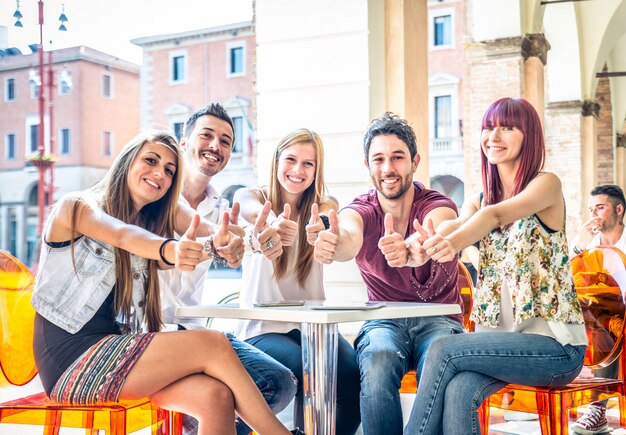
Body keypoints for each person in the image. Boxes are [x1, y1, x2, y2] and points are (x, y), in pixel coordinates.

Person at [31, 130, 301, 435]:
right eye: (151, 160)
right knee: (213, 344)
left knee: (215, 397)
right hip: (72, 360)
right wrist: (171, 248)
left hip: (119, 353)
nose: (159, 173)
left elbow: (197, 244)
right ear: (127, 161)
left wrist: (246, 242)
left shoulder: (147, 228)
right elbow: (124, 236)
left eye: (170, 171)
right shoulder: (76, 207)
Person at [402, 97, 587, 434]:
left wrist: (453, 245)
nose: (493, 136)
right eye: (488, 127)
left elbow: (495, 216)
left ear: (528, 135)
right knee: (459, 391)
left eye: (507, 127)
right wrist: (421, 244)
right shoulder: (480, 198)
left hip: (556, 347)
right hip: (501, 342)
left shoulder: (547, 185)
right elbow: (453, 226)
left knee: (444, 349)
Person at [313, 113, 463, 435]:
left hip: (439, 319)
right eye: (378, 159)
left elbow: (442, 225)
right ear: (367, 165)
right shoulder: (361, 209)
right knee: (377, 359)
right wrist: (333, 244)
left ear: (414, 162)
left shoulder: (435, 202)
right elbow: (349, 236)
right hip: (383, 320)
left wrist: (414, 246)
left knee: (440, 361)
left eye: (397, 157)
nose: (388, 168)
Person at [158, 103, 297, 434]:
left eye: (225, 141)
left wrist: (258, 242)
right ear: (184, 140)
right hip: (148, 332)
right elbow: (210, 238)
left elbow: (238, 239)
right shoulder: (157, 191)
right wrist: (234, 242)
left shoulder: (221, 208)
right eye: (207, 135)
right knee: (222, 394)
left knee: (278, 383)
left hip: (190, 332)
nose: (215, 146)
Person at [233, 128, 362, 434]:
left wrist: (327, 233)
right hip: (261, 328)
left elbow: (333, 225)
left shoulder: (324, 203)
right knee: (311, 371)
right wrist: (272, 224)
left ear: (317, 171)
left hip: (311, 330)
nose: (297, 170)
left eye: (308, 164)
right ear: (277, 160)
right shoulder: (252, 196)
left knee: (354, 374)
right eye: (291, 159)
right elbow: (250, 210)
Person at [570, 184, 626, 435]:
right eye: (591, 209)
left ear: (619, 210)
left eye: (600, 208)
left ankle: (596, 408)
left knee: (608, 325)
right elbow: (568, 280)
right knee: (602, 325)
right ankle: (595, 408)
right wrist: (579, 246)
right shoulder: (585, 245)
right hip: (600, 319)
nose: (593, 215)